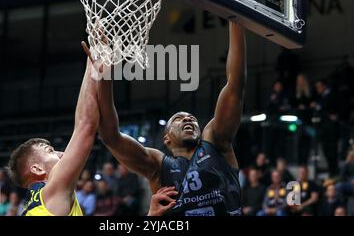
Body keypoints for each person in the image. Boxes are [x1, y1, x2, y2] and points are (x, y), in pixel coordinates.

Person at [95, 22, 246, 216]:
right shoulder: (158, 166)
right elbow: (110, 136)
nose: (188, 119)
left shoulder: (215, 142)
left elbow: (235, 86)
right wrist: (105, 72)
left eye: (192, 118)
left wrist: (236, 20)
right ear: (166, 138)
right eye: (178, 118)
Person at [7, 51, 100, 216]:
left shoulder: (31, 209)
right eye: (50, 151)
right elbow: (86, 125)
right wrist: (93, 59)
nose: (63, 153)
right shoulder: (52, 191)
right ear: (36, 169)